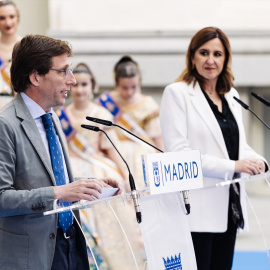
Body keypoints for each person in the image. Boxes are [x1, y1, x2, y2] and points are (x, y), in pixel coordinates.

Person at [0, 34, 121, 270]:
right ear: (36, 76)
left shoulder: (51, 116)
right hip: (33, 255)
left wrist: (87, 185)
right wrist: (59, 192)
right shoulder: (5, 124)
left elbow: (51, 182)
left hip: (69, 244)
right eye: (63, 71)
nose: (73, 80)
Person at [160, 27, 268, 270]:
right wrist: (233, 166)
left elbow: (238, 146)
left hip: (229, 208)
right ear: (192, 57)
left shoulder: (231, 95)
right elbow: (178, 154)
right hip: (195, 210)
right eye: (204, 52)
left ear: (226, 59)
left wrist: (258, 161)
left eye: (217, 54)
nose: (210, 60)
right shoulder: (176, 93)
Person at [57, 62, 144, 269]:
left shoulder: (102, 114)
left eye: (85, 84)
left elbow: (112, 150)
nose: (80, 89)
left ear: (93, 87)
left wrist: (126, 176)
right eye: (76, 85)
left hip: (97, 168)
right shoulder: (61, 116)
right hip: (72, 172)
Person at [97, 55, 163, 190]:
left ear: (140, 82)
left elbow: (157, 140)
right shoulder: (105, 103)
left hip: (142, 156)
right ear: (116, 84)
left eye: (134, 86)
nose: (129, 92)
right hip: (114, 153)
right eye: (124, 87)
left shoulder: (147, 104)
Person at [0, 0, 20, 107]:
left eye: (11, 16)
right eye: (2, 18)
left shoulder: (27, 47)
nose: (8, 22)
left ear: (18, 18)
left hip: (20, 106)